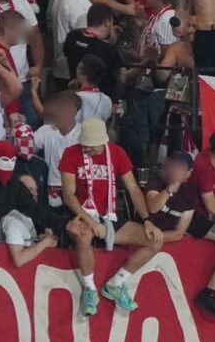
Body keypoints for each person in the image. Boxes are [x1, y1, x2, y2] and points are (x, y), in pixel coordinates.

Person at [58, 118, 164, 316]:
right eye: (85, 145)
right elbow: (68, 195)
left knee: (154, 241)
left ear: (103, 141)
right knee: (83, 235)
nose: (88, 149)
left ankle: (116, 284)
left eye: (92, 146)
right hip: (82, 213)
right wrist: (90, 221)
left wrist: (147, 220)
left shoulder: (116, 153)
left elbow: (134, 190)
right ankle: (89, 289)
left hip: (109, 214)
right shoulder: (71, 153)